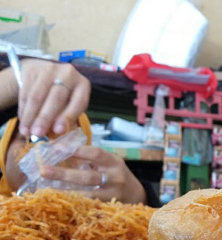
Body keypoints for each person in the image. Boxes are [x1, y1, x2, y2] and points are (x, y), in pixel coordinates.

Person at [0, 58, 149, 204]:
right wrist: (10, 81)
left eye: (65, 141)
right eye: (28, 140)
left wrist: (137, 197)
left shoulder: (92, 217)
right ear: (5, 150)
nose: (47, 154)